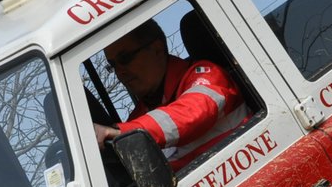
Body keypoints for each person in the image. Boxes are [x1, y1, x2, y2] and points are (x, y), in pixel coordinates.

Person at [95, 19, 246, 170]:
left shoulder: (207, 75)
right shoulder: (138, 118)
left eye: (125, 58)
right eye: (113, 65)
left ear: (157, 48)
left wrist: (120, 132)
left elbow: (189, 114)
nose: (119, 72)